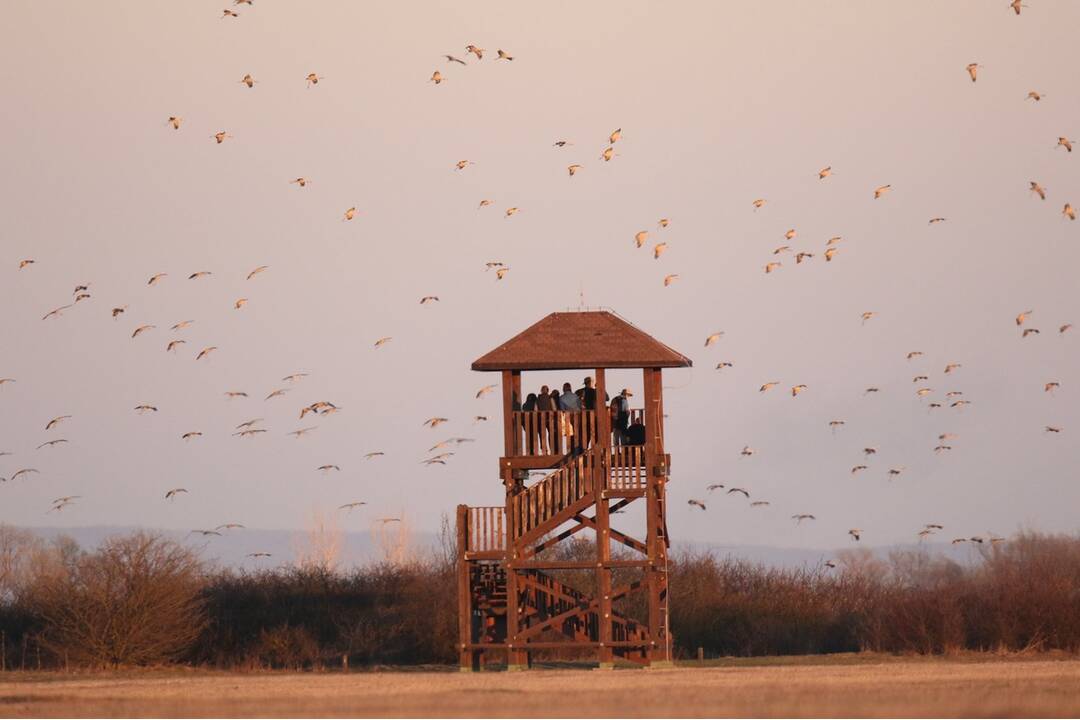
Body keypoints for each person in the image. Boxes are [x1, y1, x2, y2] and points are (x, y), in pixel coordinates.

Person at [535, 385, 557, 454]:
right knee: (551, 434)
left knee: (542, 435)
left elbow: (535, 410)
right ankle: (552, 449)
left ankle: (544, 449)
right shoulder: (550, 398)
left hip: (541, 419)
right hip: (549, 418)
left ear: (541, 391)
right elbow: (554, 409)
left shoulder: (537, 399)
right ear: (548, 390)